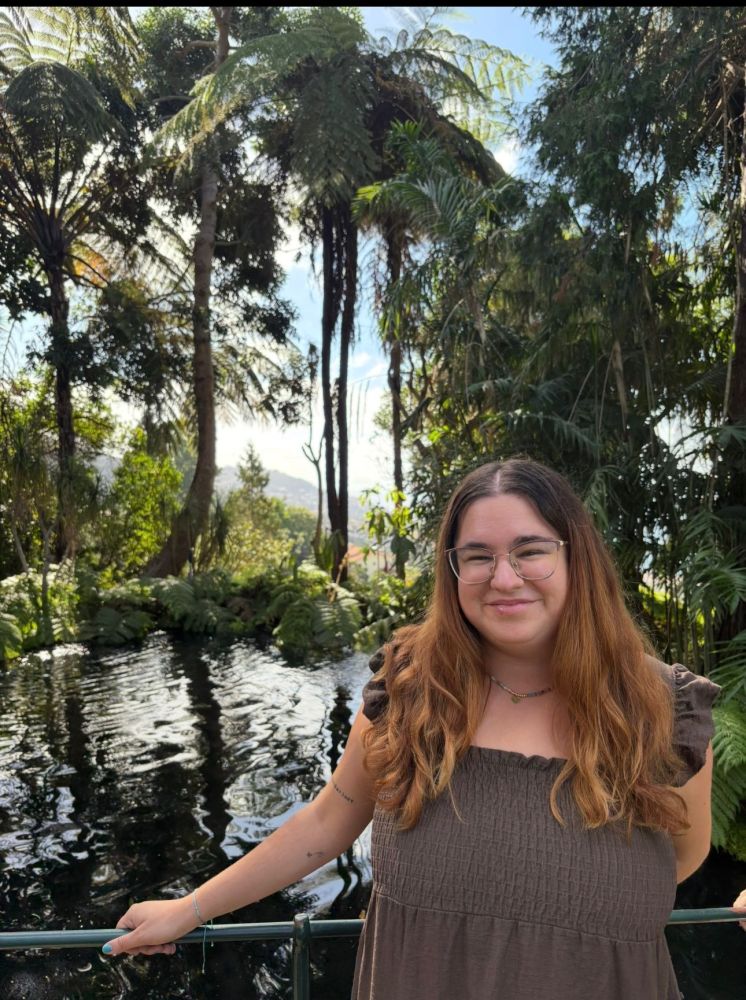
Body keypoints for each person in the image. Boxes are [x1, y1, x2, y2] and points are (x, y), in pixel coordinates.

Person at [105, 458, 744, 998]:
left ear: (577, 559)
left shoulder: (660, 707)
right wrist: (189, 910)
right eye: (478, 556)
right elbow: (329, 820)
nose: (504, 578)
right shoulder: (411, 689)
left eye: (530, 551)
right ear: (452, 569)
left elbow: (681, 858)